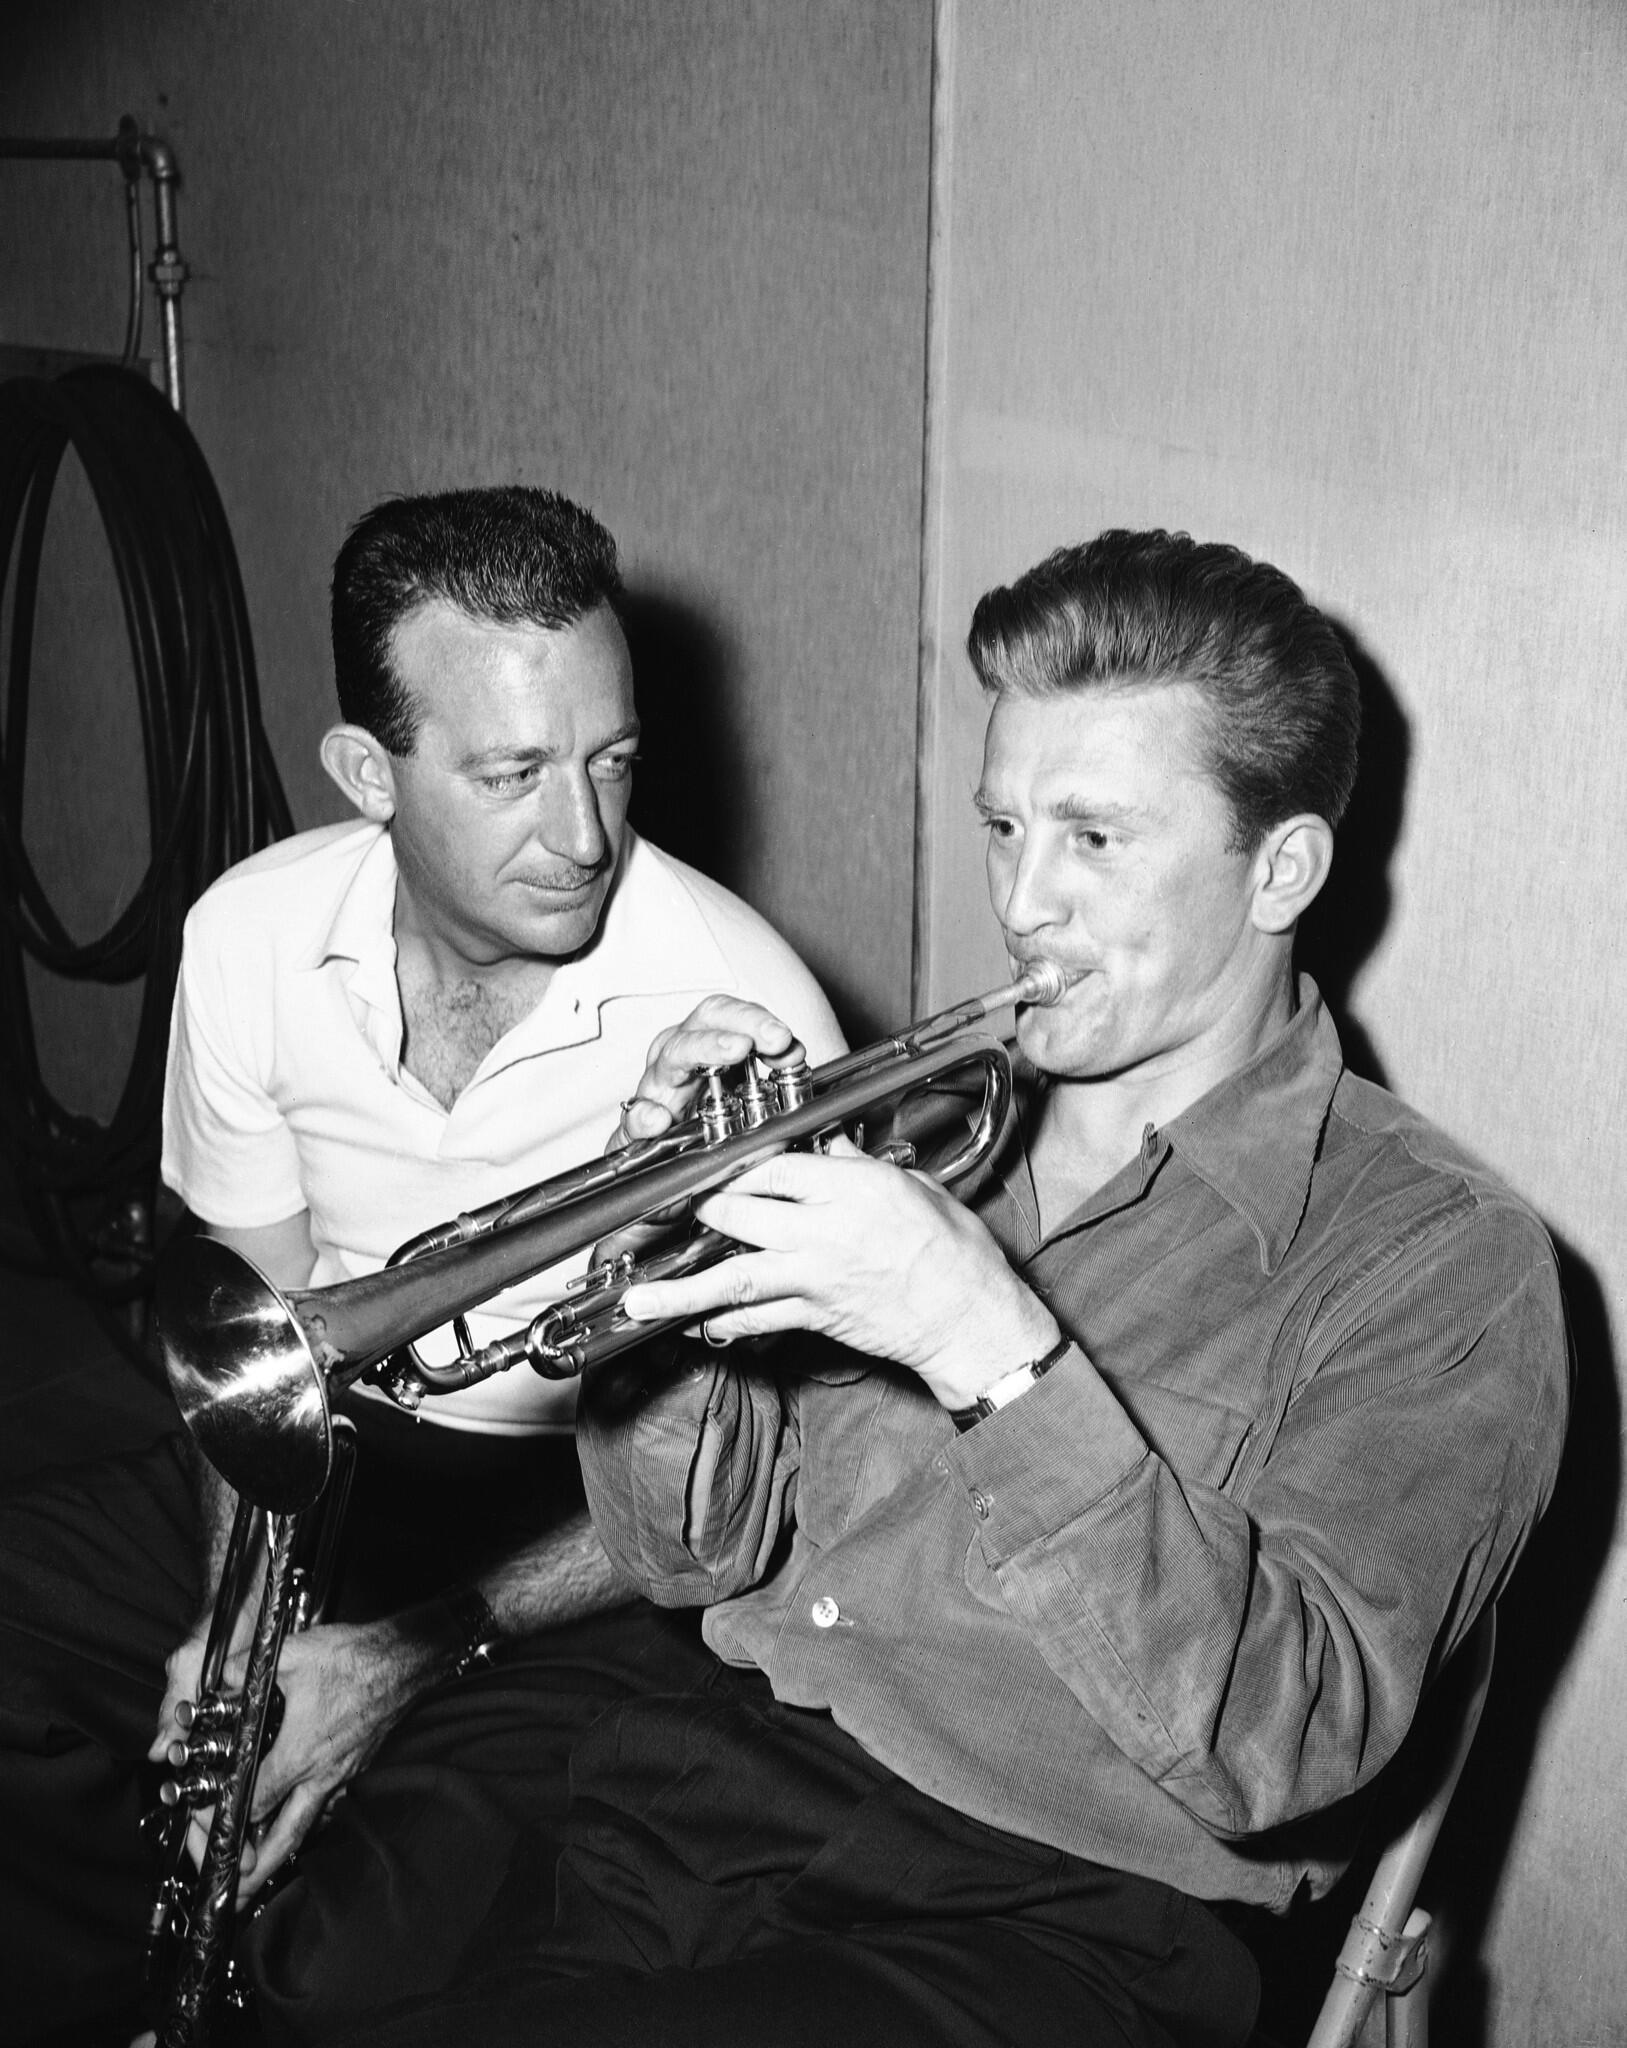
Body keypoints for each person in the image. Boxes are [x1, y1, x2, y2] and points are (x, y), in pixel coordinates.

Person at [333, 529, 1570, 2048]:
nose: (1023, 902)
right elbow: (681, 1557)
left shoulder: (1440, 1257)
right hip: (702, 1780)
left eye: (1094, 840)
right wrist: (666, 1257)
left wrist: (987, 1340)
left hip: (1048, 1920)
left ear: (1282, 868)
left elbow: (1287, 1736)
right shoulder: (921, 1130)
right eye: (1004, 828)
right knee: (287, 1942)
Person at [0, 485, 844, 2046]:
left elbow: (746, 1506)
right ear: (365, 774)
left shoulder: (747, 1009)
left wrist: (401, 1649)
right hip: (314, 1464)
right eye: (514, 774)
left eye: (612, 759)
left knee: (369, 1929)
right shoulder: (250, 935)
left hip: (594, 1534)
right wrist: (241, 1626)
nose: (584, 834)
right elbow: (254, 1340)